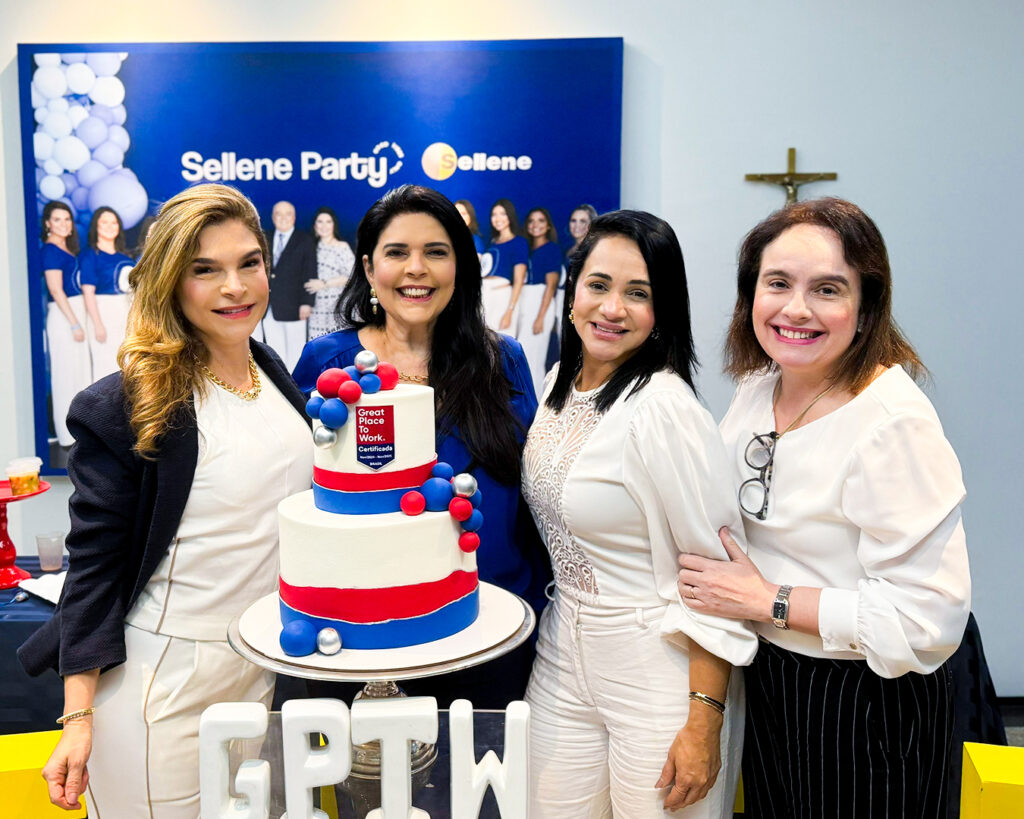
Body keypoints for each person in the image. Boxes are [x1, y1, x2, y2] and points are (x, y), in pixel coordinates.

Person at [19, 183, 313, 817]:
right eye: (204, 270)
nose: (235, 287)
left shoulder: (271, 373)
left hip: (260, 670)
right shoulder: (127, 402)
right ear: (169, 282)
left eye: (249, 263)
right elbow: (94, 568)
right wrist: (77, 717)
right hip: (164, 685)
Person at [676, 198, 971, 818]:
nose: (796, 309)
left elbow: (927, 619)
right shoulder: (759, 386)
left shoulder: (893, 422)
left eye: (828, 289)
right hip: (772, 677)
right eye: (777, 283)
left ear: (866, 309)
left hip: (867, 702)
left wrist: (769, 600)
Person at [523, 210, 757, 817]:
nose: (612, 308)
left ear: (662, 311)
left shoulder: (665, 410)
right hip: (560, 651)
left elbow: (718, 576)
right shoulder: (557, 384)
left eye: (638, 293)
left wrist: (704, 720)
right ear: (573, 289)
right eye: (598, 285)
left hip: (657, 666)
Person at [293, 184, 551, 708]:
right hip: (363, 649)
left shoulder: (503, 361)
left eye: (436, 252)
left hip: (491, 635)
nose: (417, 269)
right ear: (369, 269)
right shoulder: (327, 365)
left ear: (460, 267)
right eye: (397, 253)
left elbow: (533, 500)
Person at [39, 201, 90, 448]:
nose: (63, 224)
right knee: (65, 375)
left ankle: (80, 430)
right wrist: (74, 324)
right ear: (47, 223)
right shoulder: (50, 251)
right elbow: (56, 290)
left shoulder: (67, 249)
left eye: (67, 219)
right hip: (64, 317)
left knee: (77, 374)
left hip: (75, 312)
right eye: (57, 219)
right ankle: (67, 435)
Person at [79, 206, 134, 382]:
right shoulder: (91, 256)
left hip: (126, 312)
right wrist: (97, 324)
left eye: (114, 222)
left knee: (127, 362)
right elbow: (88, 292)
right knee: (105, 364)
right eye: (104, 222)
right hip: (103, 312)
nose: (110, 226)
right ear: (96, 226)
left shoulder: (126, 258)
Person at [261, 200, 316, 372]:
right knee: (274, 352)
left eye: (288, 214)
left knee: (296, 353)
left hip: (295, 308)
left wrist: (307, 303)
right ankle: (279, 383)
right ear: (273, 217)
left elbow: (310, 272)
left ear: (294, 217)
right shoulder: (265, 238)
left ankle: (295, 386)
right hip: (269, 308)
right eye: (279, 214)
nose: (283, 218)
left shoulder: (305, 240)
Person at [519, 207, 561, 396]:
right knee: (522, 357)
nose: (535, 225)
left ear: (548, 225)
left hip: (540, 301)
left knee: (534, 361)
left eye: (541, 220)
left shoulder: (551, 249)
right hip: (525, 301)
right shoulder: (527, 248)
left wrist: (540, 317)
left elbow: (551, 286)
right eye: (531, 221)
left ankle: (536, 405)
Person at [303, 206, 355, 340]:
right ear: (315, 225)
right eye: (320, 222)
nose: (324, 226)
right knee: (317, 343)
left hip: (337, 306)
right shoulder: (310, 247)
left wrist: (325, 283)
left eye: (328, 222)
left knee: (337, 342)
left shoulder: (342, 247)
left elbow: (352, 276)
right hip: (316, 310)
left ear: (334, 225)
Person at [481, 198, 528, 334]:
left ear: (510, 216)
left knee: (502, 341)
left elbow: (519, 280)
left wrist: (509, 311)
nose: (498, 219)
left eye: (502, 214)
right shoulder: (492, 242)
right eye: (494, 214)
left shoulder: (519, 242)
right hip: (485, 295)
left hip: (502, 296)